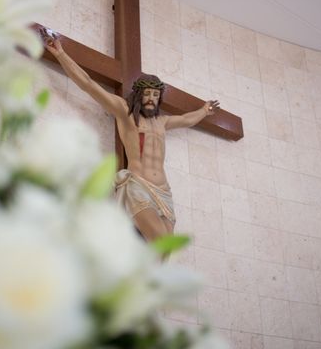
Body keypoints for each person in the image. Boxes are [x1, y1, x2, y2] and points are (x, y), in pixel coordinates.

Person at [42, 33, 219, 241]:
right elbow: (89, 84)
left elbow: (188, 119)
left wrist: (205, 110)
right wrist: (61, 54)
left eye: (156, 95)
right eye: (148, 94)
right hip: (139, 186)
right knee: (161, 241)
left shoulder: (162, 122)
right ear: (138, 95)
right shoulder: (125, 112)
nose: (152, 99)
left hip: (164, 192)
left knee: (165, 251)